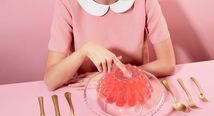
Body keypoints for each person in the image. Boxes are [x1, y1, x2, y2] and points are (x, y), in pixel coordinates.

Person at [44, 0, 176, 91]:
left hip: (133, 87)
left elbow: (167, 63)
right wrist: (85, 50)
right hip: (88, 91)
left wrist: (114, 78)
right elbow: (51, 80)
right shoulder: (67, 3)